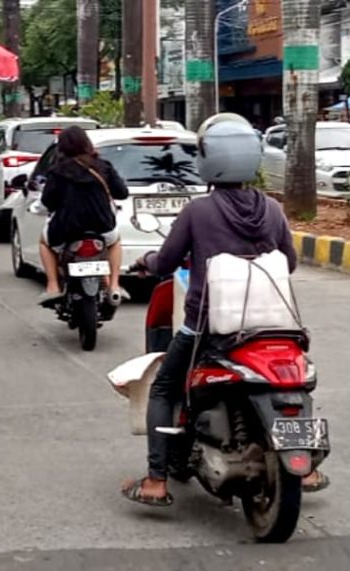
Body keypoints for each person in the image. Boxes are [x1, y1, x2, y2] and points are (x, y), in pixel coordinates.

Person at [120, 113, 328, 506]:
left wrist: (146, 261)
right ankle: (309, 468)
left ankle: (156, 480)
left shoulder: (198, 211)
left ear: (208, 161)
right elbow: (289, 262)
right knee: (296, 382)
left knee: (163, 387)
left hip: (208, 326)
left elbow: (166, 262)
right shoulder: (272, 209)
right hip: (273, 324)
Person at [37, 125, 128, 306]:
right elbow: (122, 193)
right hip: (102, 227)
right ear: (87, 143)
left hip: (66, 230)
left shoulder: (57, 171)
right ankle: (114, 285)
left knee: (43, 242)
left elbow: (47, 201)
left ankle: (53, 285)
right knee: (115, 241)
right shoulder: (103, 167)